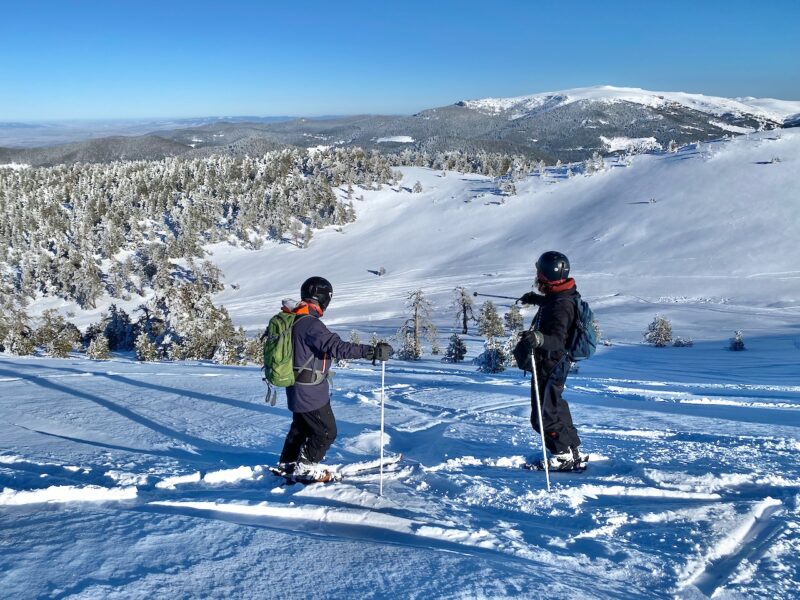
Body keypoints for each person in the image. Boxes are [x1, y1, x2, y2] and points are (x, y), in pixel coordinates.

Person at [279, 276, 393, 481]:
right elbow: (337, 347)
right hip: (310, 390)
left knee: (301, 427)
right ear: (323, 298)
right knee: (325, 431)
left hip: (296, 386)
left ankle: (287, 463)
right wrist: (371, 352)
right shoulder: (310, 324)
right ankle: (306, 467)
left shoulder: (294, 319)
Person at [517, 251, 582, 470]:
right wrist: (537, 300)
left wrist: (538, 338)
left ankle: (562, 456)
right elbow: (555, 302)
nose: (536, 276)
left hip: (550, 364)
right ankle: (571, 450)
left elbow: (558, 339)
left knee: (543, 416)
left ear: (545, 275)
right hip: (554, 363)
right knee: (556, 406)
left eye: (538, 272)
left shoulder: (560, 305)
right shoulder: (562, 295)